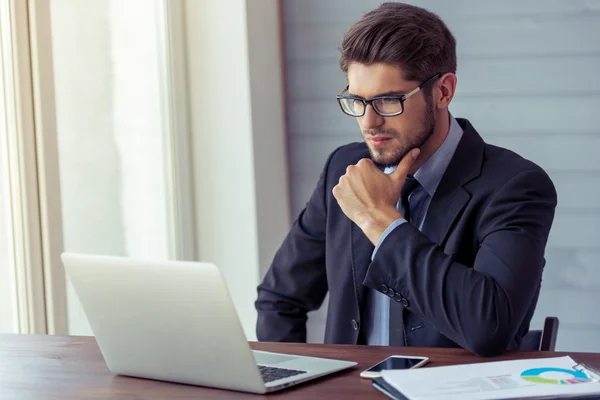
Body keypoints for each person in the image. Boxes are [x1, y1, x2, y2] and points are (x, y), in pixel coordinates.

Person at [255, 2, 557, 356]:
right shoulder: (344, 168)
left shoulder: (515, 186)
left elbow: (488, 327)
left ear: (443, 91)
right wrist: (288, 384)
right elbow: (280, 298)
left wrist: (380, 221)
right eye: (356, 101)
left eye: (387, 101)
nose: (368, 122)